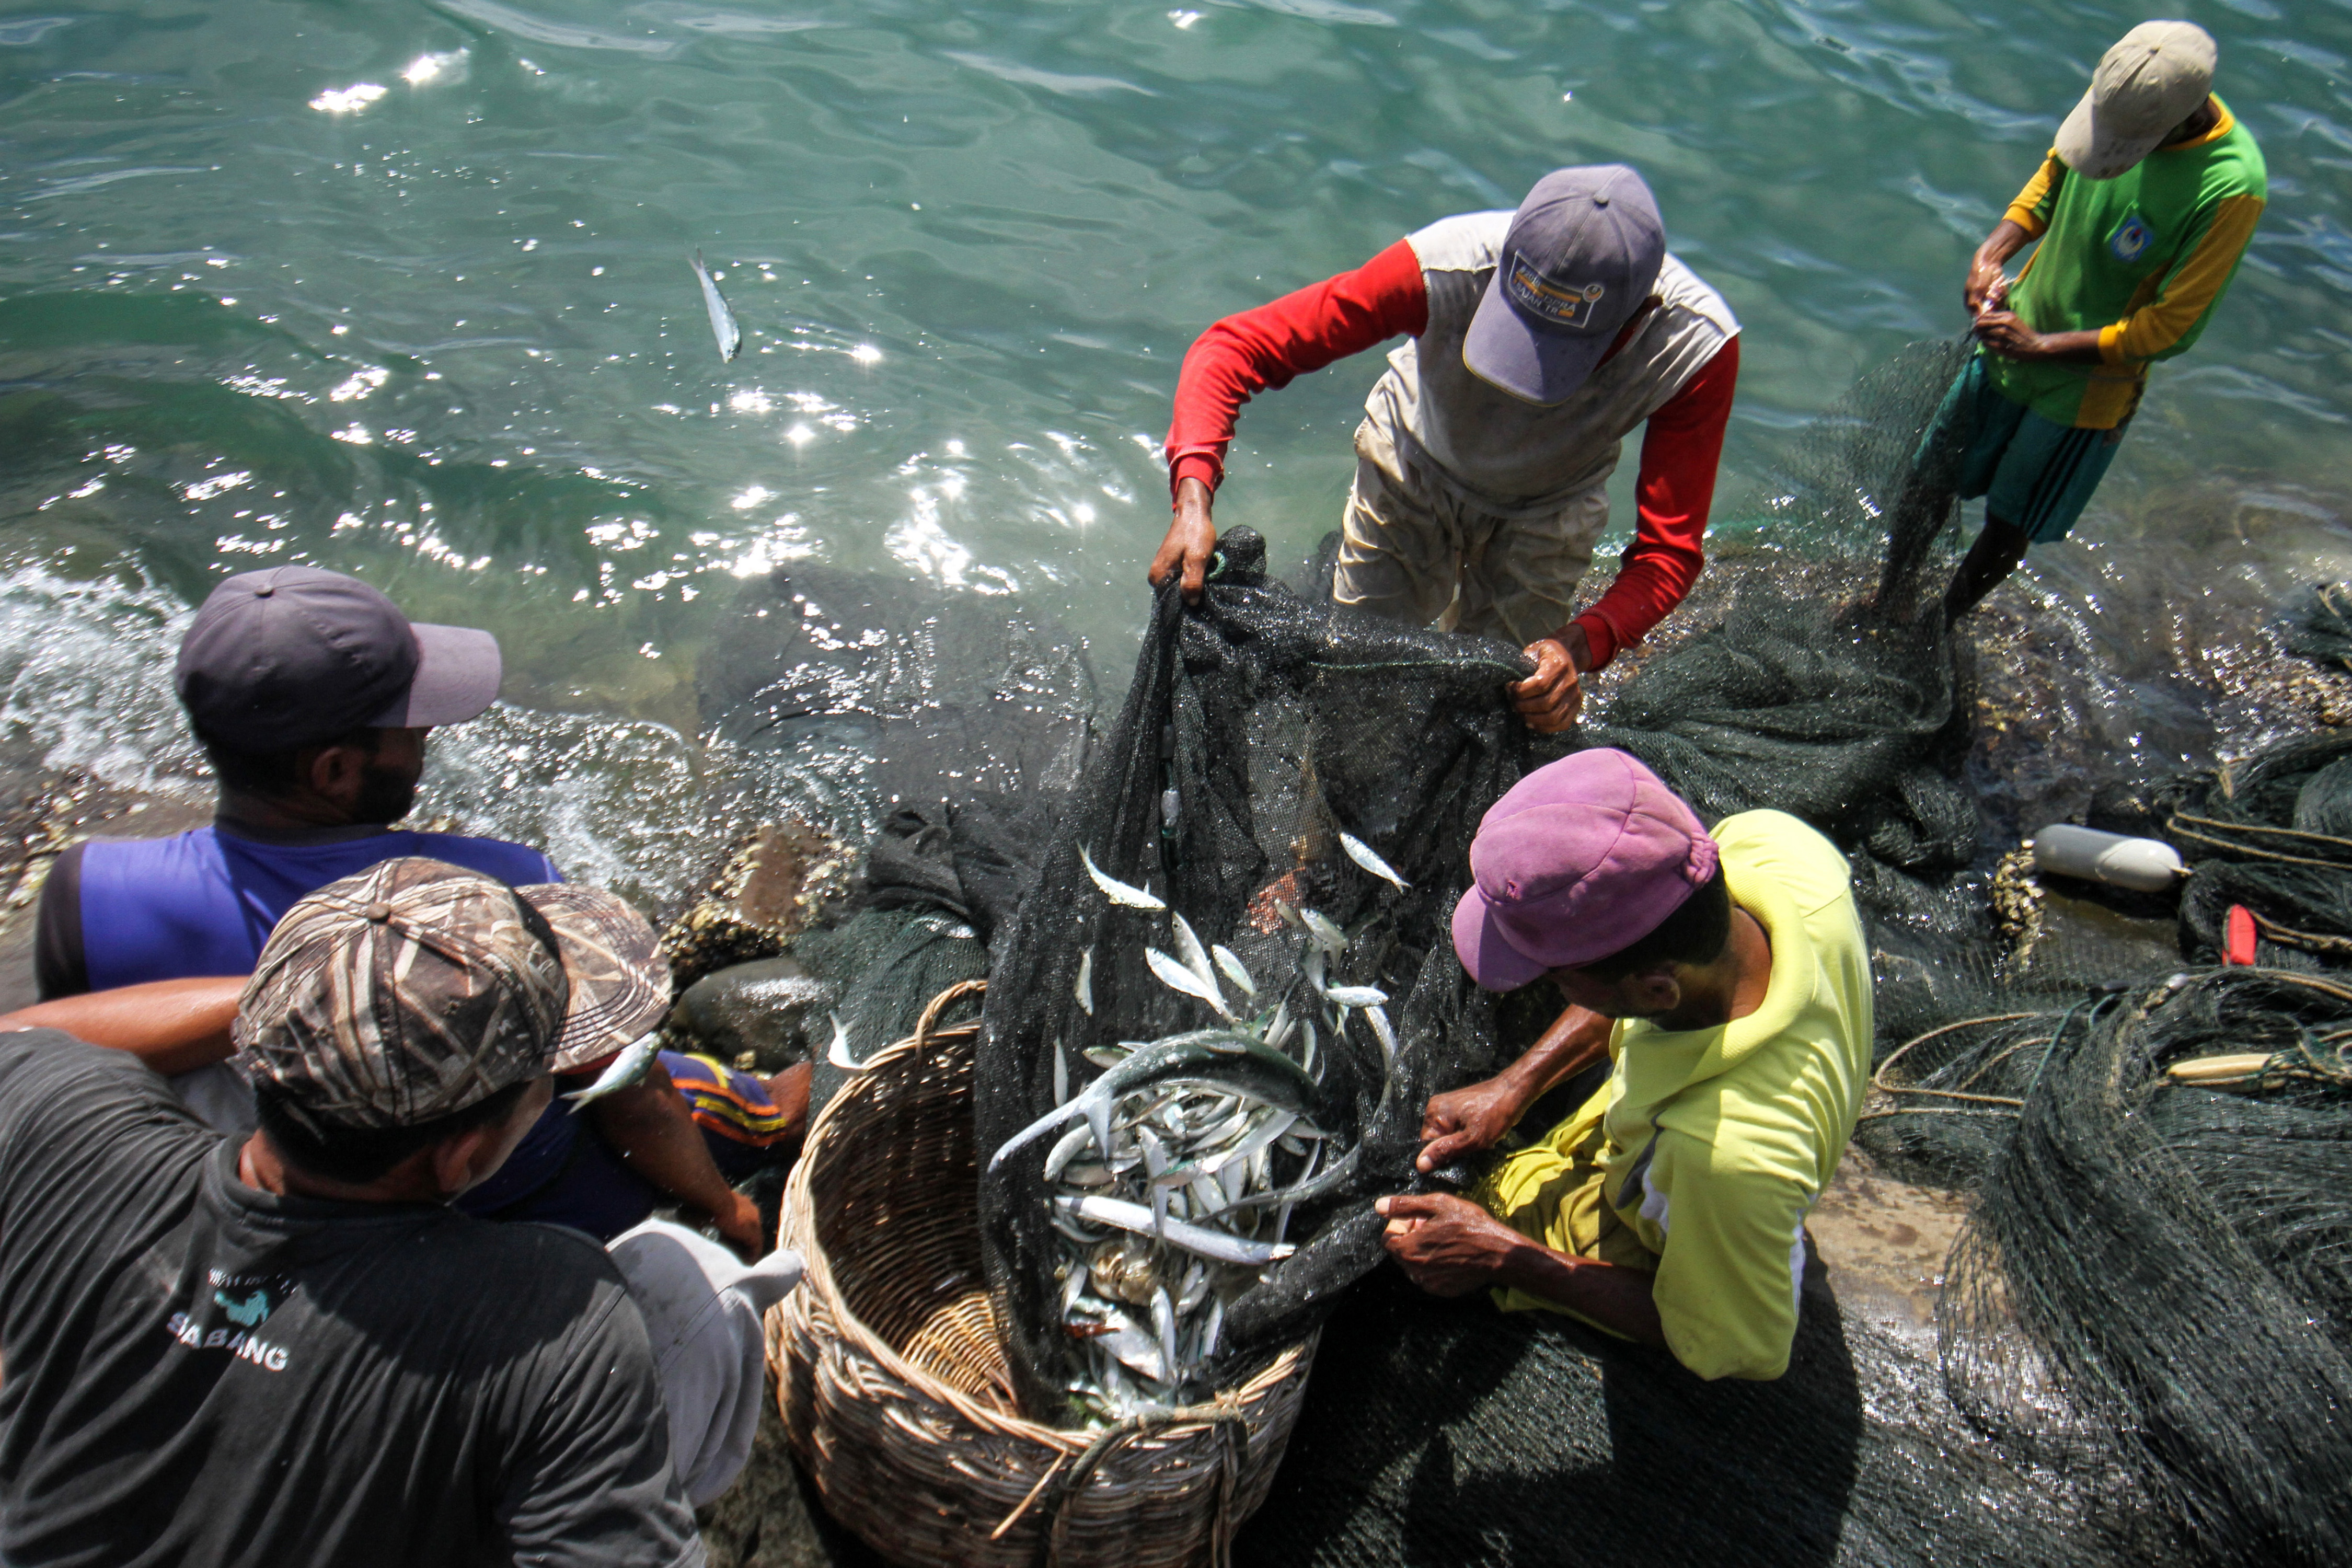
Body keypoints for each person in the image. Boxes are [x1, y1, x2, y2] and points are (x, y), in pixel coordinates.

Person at [0, 857, 800, 1564]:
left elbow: (20, 1034)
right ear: (463, 1158)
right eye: (541, 1085)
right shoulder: (554, 1317)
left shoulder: (69, 1130)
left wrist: (335, 996)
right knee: (686, 1276)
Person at [31, 563, 805, 1251]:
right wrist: (724, 1210)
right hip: (494, 1202)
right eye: (408, 722)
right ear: (334, 770)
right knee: (706, 1090)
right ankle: (774, 1121)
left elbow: (75, 1074)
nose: (427, 730)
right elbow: (633, 1108)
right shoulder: (503, 886)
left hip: (253, 1192)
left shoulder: (88, 893)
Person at [1151, 164, 1740, 732]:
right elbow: (1233, 349)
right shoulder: (1444, 267)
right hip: (1414, 461)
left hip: (1551, 503)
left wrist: (1577, 646)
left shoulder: (1692, 348)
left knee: (1500, 705)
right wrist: (1194, 499)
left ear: (1640, 314)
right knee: (1355, 687)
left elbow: (1668, 555)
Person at [1375, 749, 1871, 1381]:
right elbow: (1645, 968)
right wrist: (1514, 1086)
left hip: (1692, 1200)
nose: (1549, 988)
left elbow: (1735, 1345)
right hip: (1689, 1099)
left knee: (1479, 1216)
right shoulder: (1779, 851)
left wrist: (1503, 1255)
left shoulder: (1719, 1160)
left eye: (1556, 977)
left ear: (1657, 993)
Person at [1942, 19, 2265, 622]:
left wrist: (2043, 347)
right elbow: (2056, 176)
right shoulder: (2122, 93)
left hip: (2086, 387)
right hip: (2010, 335)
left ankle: (1940, 625)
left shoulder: (2231, 186)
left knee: (2010, 521)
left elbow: (2170, 328)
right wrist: (1993, 254)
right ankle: (1887, 600)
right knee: (1930, 474)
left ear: (2180, 119)